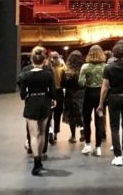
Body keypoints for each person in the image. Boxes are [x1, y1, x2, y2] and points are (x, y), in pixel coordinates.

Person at [98, 43, 123, 167]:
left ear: (113, 54)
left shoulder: (108, 67)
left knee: (114, 127)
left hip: (114, 98)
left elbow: (104, 87)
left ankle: (118, 156)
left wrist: (101, 103)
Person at [20, 46, 55, 175]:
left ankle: (36, 162)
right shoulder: (48, 74)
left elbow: (23, 94)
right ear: (44, 60)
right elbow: (52, 92)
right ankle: (40, 158)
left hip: (32, 103)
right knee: (42, 133)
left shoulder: (26, 75)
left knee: (33, 134)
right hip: (45, 102)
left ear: (32, 60)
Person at [79, 44, 106, 156]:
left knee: (86, 120)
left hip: (88, 94)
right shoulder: (105, 66)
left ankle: (87, 145)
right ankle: (98, 147)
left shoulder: (85, 67)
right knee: (99, 121)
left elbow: (81, 83)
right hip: (101, 95)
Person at [62, 50, 84, 143]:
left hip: (70, 95)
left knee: (71, 116)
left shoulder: (66, 71)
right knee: (82, 113)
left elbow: (63, 84)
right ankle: (83, 131)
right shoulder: (83, 69)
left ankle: (73, 136)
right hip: (81, 94)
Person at [48, 51, 66, 144]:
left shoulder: (47, 69)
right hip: (59, 93)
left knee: (49, 114)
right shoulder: (62, 68)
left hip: (50, 93)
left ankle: (50, 130)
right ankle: (55, 134)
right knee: (57, 115)